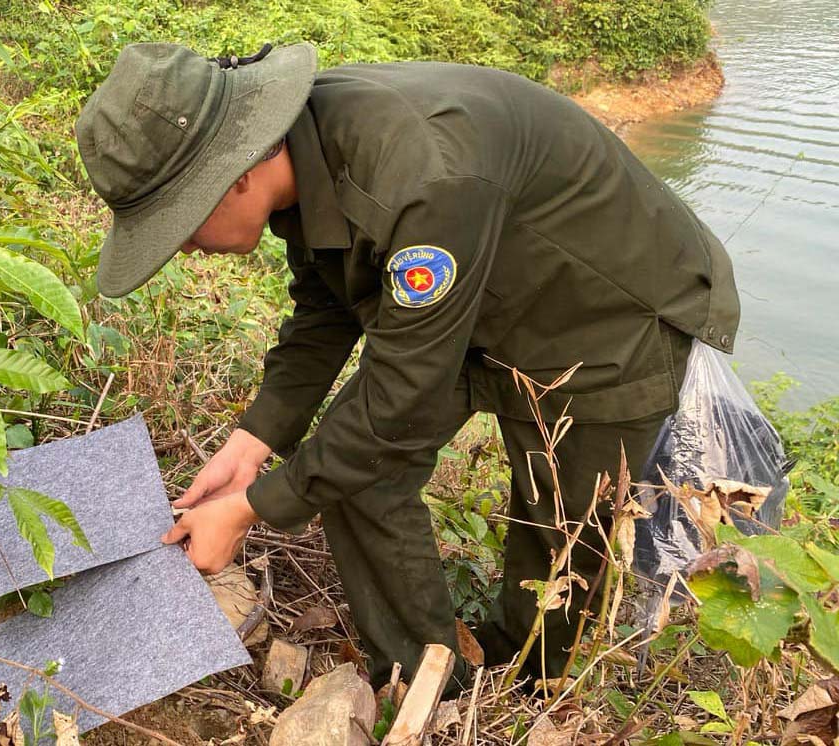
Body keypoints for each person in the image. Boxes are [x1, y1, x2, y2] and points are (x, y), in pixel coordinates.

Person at [74, 42, 739, 692]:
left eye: (181, 224)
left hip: (605, 315)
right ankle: (425, 682)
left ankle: (535, 690)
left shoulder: (418, 176)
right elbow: (326, 310)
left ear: (235, 172)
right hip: (473, 305)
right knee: (358, 473)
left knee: (558, 538)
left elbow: (399, 398)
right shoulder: (305, 159)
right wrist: (254, 442)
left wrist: (248, 511)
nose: (186, 248)